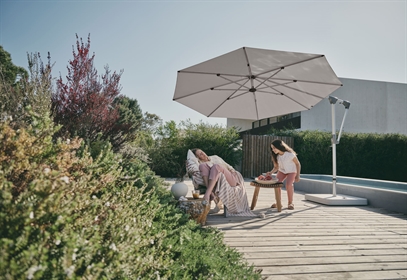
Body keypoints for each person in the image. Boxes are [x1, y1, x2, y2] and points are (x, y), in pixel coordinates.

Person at [266, 139, 301, 210]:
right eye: (272, 148)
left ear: (279, 146)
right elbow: (276, 167)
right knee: (277, 184)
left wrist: (297, 175)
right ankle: (278, 202)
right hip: (282, 171)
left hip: (291, 171)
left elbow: (297, 164)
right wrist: (271, 172)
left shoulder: (290, 154)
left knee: (289, 185)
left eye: (274, 148)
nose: (273, 150)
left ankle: (290, 203)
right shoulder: (277, 156)